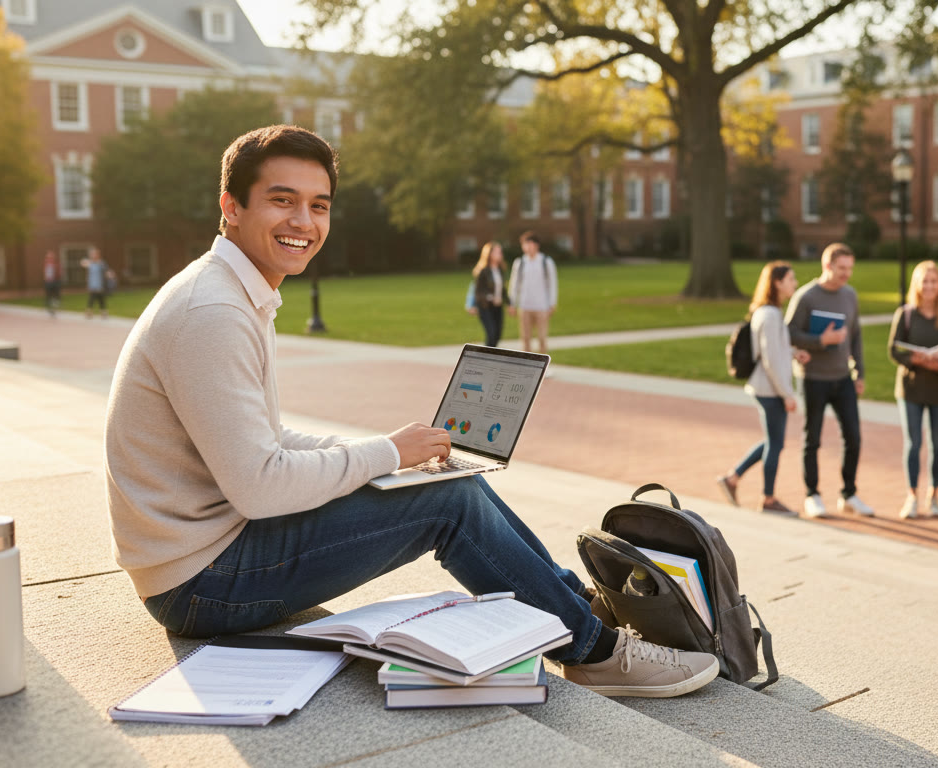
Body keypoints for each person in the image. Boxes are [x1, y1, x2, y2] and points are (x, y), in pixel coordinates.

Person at [104, 125, 718, 699]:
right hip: (202, 584)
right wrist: (386, 456)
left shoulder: (229, 290)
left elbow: (265, 441)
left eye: (319, 206)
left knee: (451, 480)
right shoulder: (213, 312)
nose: (304, 221)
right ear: (231, 205)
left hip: (208, 553)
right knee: (446, 504)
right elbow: (261, 486)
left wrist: (393, 454)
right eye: (283, 200)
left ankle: (579, 605)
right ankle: (594, 651)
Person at [785, 242, 875, 520]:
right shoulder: (806, 297)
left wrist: (859, 372)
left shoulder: (850, 295)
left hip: (842, 378)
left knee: (854, 437)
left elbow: (855, 335)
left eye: (850, 268)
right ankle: (812, 495)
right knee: (812, 439)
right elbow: (787, 333)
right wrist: (820, 341)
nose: (847, 273)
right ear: (827, 266)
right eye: (842, 268)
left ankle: (848, 494)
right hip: (813, 379)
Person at [716, 261, 810, 516]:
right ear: (777, 283)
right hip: (769, 389)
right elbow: (769, 359)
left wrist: (794, 352)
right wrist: (787, 395)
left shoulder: (770, 312)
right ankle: (768, 499)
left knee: (773, 441)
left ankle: (732, 478)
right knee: (775, 444)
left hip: (767, 388)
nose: (795, 283)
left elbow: (775, 349)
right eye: (791, 279)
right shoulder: (769, 315)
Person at [886, 261, 938, 520]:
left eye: (934, 281)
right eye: (925, 281)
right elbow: (893, 350)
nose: (929, 286)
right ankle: (911, 495)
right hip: (911, 388)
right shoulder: (906, 314)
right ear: (917, 285)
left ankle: (934, 496)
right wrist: (914, 360)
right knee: (913, 443)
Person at [507, 232, 557, 353]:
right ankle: (526, 369)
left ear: (536, 245)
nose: (528, 247)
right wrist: (511, 303)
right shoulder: (520, 263)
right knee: (525, 338)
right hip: (525, 306)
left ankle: (544, 367)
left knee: (542, 338)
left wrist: (552, 303)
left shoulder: (546, 262)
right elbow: (514, 284)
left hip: (542, 306)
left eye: (530, 244)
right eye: (525, 244)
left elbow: (552, 284)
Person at [468, 241, 510, 347]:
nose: (500, 255)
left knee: (497, 335)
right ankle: (486, 358)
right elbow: (478, 291)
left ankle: (491, 357)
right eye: (497, 252)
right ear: (489, 254)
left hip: (498, 307)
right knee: (491, 334)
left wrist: (509, 303)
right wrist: (490, 298)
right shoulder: (483, 271)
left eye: (500, 252)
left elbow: (502, 289)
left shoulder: (500, 270)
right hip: (485, 307)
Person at [82, 249, 112, 319]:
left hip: (100, 284)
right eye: (92, 254)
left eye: (95, 254)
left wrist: (109, 276)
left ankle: (103, 313)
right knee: (91, 298)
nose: (94, 256)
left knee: (101, 299)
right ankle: (89, 312)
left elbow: (106, 272)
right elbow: (83, 263)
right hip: (92, 284)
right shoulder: (90, 264)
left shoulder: (101, 263)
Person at [42, 251, 61, 318]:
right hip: (48, 282)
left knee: (55, 296)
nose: (49, 258)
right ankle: (50, 309)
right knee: (48, 296)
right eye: (48, 257)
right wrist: (46, 280)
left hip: (55, 281)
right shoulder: (46, 264)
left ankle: (54, 308)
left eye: (51, 257)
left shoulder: (56, 264)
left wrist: (57, 280)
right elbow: (45, 273)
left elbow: (59, 273)